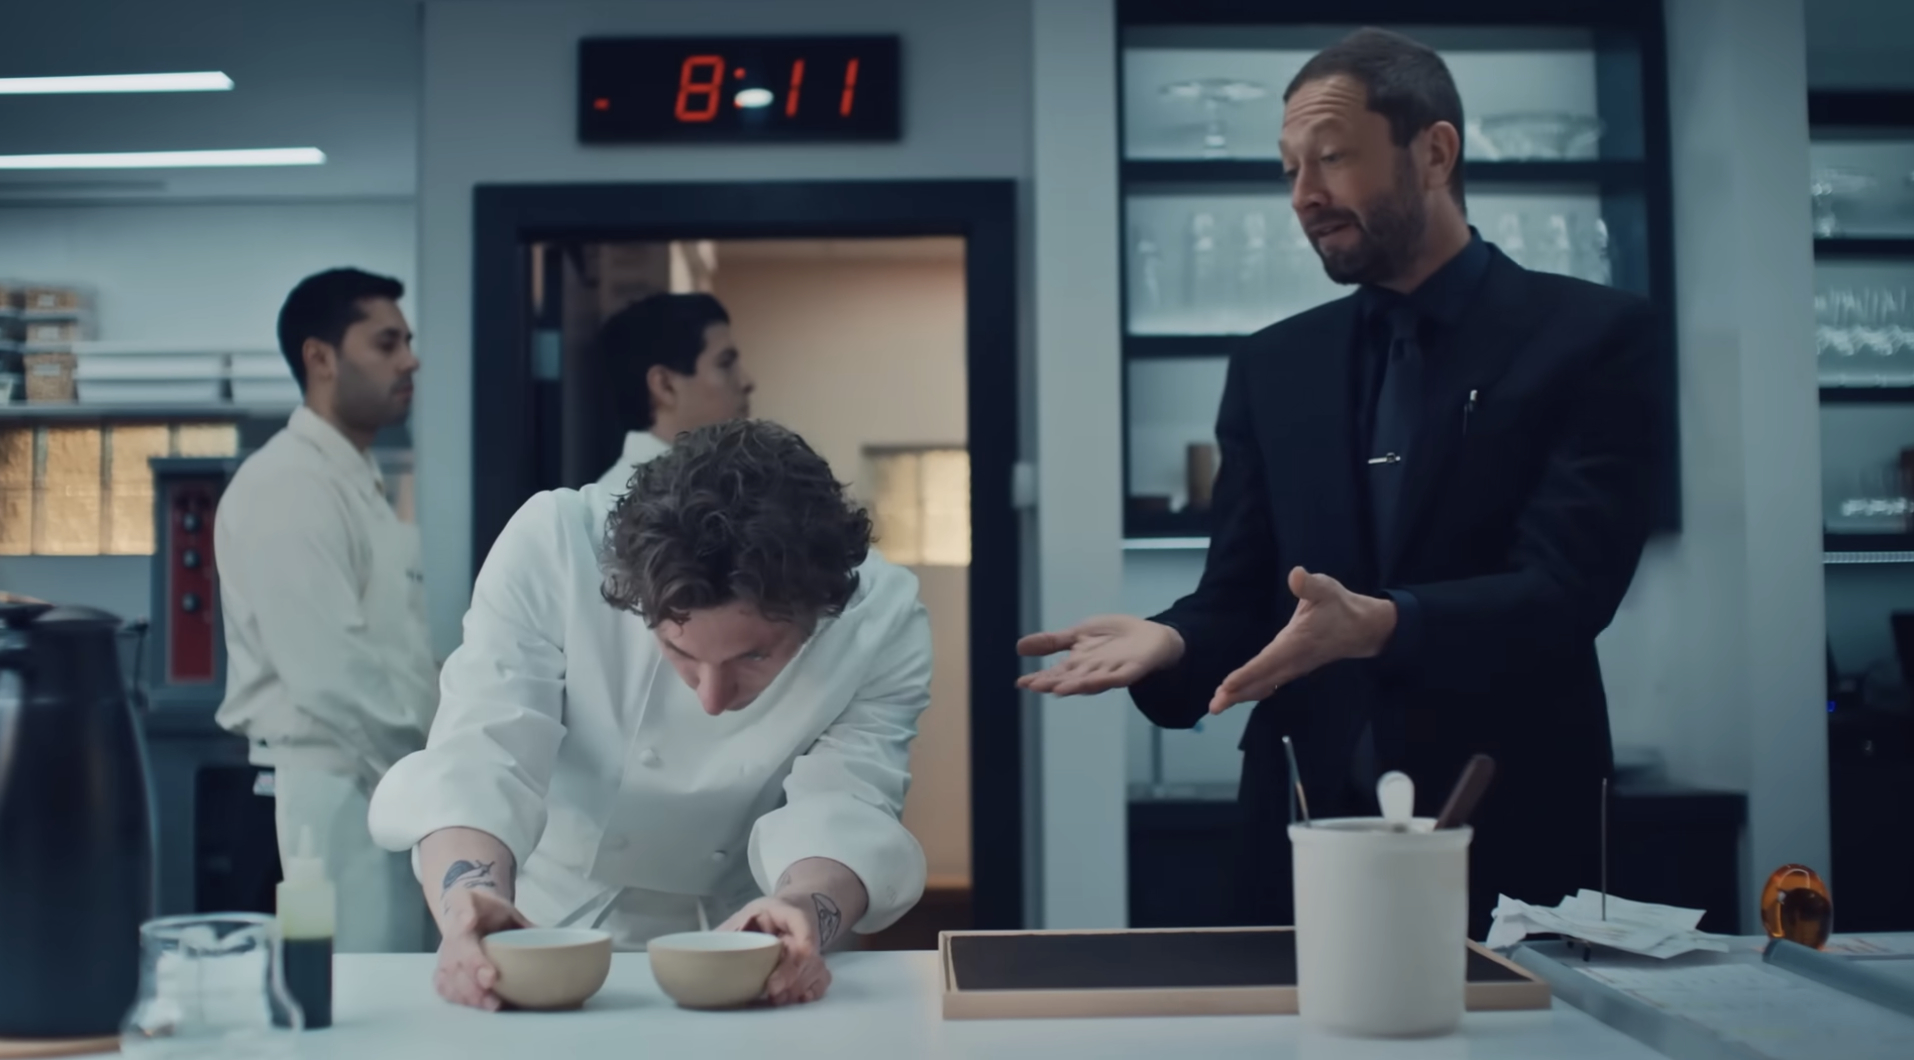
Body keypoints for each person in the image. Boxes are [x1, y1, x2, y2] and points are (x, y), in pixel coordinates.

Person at [1018, 28, 1661, 938]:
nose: (1304, 196)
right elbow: (1244, 595)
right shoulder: (1274, 366)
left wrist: (1382, 623)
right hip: (1299, 826)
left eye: (1331, 158)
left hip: (1510, 819)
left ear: (1434, 152)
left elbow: (1567, 589)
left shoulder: (1592, 337)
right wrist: (1171, 638)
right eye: (1289, 169)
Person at [369, 419, 932, 1010]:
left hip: (750, 942)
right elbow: (481, 759)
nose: (711, 699)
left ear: (822, 610)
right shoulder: (554, 547)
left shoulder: (881, 622)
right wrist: (469, 903)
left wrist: (800, 910)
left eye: (754, 656)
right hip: (543, 928)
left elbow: (846, 808)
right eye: (679, 652)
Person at [215, 267, 436, 952]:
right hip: (320, 794)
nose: (410, 361)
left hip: (370, 782)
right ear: (321, 358)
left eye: (408, 342)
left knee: (386, 985)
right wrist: (431, 774)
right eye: (387, 343)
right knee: (344, 994)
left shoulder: (355, 480)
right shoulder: (288, 483)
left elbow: (389, 653)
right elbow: (332, 675)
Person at [592, 292, 754, 494]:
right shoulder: (623, 501)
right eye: (725, 364)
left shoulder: (716, 482)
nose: (747, 382)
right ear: (664, 385)